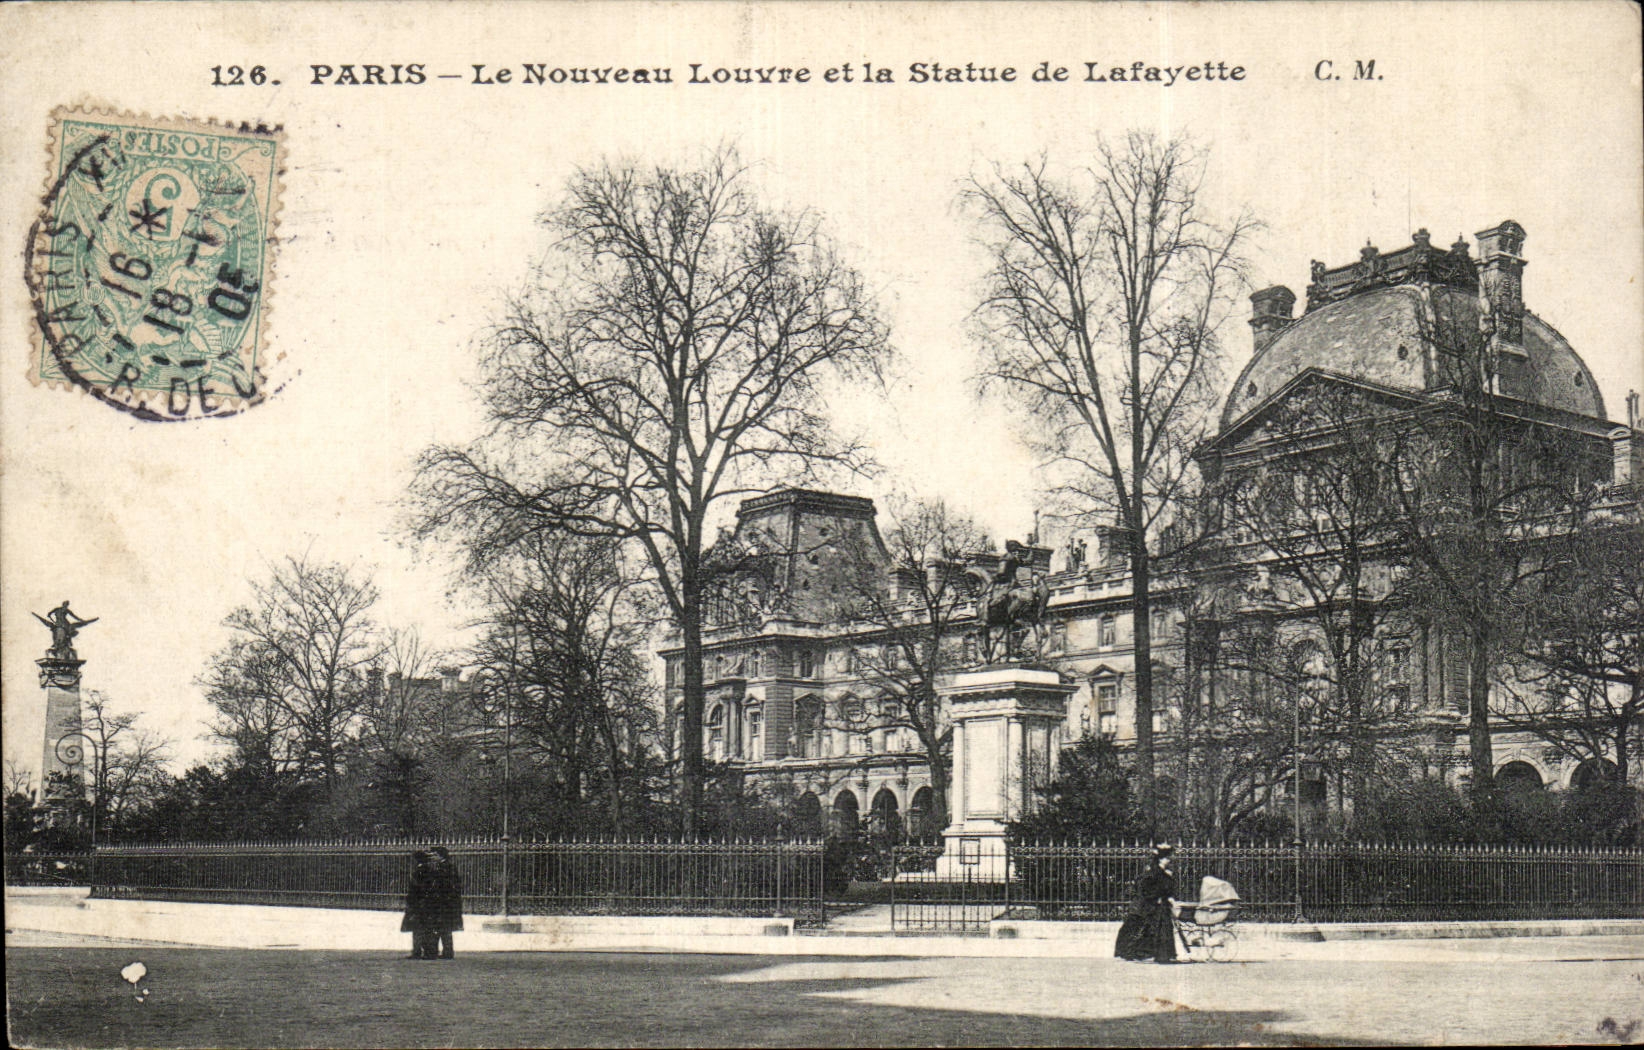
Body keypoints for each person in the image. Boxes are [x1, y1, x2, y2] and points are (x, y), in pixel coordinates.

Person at [1114, 843, 1181, 963]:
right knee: (1148, 928)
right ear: (1161, 859)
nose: (1169, 860)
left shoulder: (1160, 872)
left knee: (1156, 928)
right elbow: (1147, 888)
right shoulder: (1154, 872)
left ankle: (1156, 954)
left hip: (1155, 905)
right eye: (1167, 858)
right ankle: (1146, 953)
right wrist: (1158, 897)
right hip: (1149, 905)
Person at [426, 845, 464, 959]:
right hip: (441, 903)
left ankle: (444, 952)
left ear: (440, 856)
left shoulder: (446, 867)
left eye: (435, 855)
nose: (432, 857)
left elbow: (448, 886)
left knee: (442, 928)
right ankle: (442, 951)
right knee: (440, 927)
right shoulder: (442, 866)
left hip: (444, 903)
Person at [401, 851, 437, 959]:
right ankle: (428, 951)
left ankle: (418, 951)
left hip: (419, 903)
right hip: (426, 903)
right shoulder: (429, 870)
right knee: (426, 928)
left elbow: (417, 888)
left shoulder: (420, 871)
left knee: (418, 929)